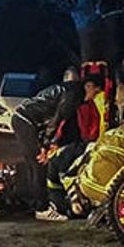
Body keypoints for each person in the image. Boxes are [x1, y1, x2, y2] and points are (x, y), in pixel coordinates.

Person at [37, 76, 103, 221]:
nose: (95, 95)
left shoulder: (87, 105)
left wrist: (88, 143)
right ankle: (61, 206)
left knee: (66, 175)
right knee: (59, 174)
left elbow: (93, 125)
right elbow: (57, 123)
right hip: (65, 144)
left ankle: (67, 207)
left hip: (78, 145)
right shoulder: (69, 102)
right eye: (95, 92)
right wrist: (52, 143)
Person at [11, 68, 74, 214]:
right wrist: (45, 146)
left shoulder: (55, 90)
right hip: (26, 121)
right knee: (38, 162)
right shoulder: (68, 94)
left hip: (25, 121)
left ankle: (35, 202)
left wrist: (49, 142)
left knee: (33, 163)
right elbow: (55, 122)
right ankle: (41, 206)